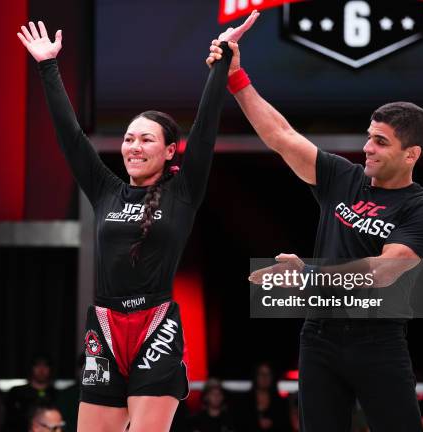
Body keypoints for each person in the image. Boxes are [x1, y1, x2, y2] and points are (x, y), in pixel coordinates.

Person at [17, 12, 258, 432]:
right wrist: (47, 66)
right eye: (129, 137)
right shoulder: (105, 188)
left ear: (169, 152)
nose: (134, 146)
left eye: (147, 138)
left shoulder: (184, 192)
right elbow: (71, 138)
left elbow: (203, 130)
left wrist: (221, 62)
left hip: (156, 326)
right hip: (106, 327)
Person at [207, 15, 423, 431]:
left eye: (381, 142)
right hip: (319, 338)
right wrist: (235, 76)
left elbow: (383, 272)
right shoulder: (344, 177)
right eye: (369, 136)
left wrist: (309, 276)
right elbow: (281, 135)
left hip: (379, 342)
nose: (367, 147)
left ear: (412, 155)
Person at [234, 362, 290, 432]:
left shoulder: (280, 403)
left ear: (272, 377)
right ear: (255, 376)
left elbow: (286, 426)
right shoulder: (244, 401)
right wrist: (255, 423)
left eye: (268, 374)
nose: (264, 377)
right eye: (261, 374)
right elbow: (238, 424)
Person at [7, 356, 57, 432]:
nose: (41, 370)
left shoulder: (57, 394)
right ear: (31, 368)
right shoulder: (16, 393)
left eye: (45, 365)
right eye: (37, 365)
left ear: (50, 369)